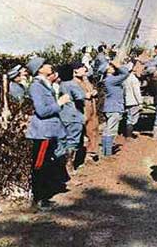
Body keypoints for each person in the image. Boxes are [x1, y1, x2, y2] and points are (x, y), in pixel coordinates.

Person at [25, 57, 70, 210]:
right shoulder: (36, 86)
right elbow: (42, 111)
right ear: (39, 69)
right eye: (45, 64)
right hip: (43, 133)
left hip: (49, 131)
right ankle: (38, 199)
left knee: (46, 165)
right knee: (39, 166)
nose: (49, 66)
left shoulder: (44, 84)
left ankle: (44, 197)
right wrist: (59, 103)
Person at [58, 64, 86, 175]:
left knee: (64, 141)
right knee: (73, 141)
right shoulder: (72, 84)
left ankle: (62, 166)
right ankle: (69, 165)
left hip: (63, 115)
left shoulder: (61, 84)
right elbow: (80, 97)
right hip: (74, 115)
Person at [99, 60, 130, 157]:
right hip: (114, 107)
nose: (114, 67)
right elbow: (125, 73)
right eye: (111, 66)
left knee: (107, 130)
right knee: (111, 131)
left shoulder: (108, 80)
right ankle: (108, 154)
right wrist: (118, 65)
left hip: (110, 107)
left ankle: (105, 152)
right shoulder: (111, 80)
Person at [74, 62, 100, 162]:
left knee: (93, 130)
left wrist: (94, 92)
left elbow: (91, 89)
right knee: (80, 133)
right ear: (75, 70)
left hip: (91, 109)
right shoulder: (72, 82)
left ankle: (91, 153)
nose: (85, 70)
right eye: (82, 68)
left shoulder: (85, 80)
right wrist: (85, 95)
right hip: (82, 110)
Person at [123, 61, 143, 139]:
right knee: (132, 119)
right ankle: (129, 136)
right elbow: (136, 92)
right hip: (134, 101)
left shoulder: (125, 79)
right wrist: (140, 102)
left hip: (128, 101)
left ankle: (128, 135)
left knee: (129, 118)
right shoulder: (134, 79)